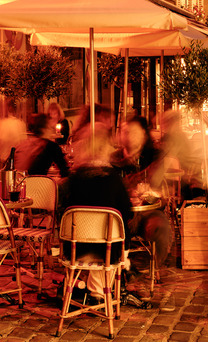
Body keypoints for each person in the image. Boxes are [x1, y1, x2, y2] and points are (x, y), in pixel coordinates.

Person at [61, 123, 134, 303]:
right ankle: (100, 292)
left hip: (76, 247)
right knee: (117, 231)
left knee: (102, 233)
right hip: (107, 249)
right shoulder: (113, 178)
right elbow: (127, 210)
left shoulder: (76, 177)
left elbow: (64, 209)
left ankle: (90, 289)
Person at [111, 116, 172, 272]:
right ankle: (119, 269)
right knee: (107, 229)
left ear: (144, 135)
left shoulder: (154, 157)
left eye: (135, 133)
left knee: (161, 228)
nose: (131, 136)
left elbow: (161, 196)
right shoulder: (114, 159)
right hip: (121, 214)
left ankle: (151, 270)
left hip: (148, 213)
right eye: (127, 132)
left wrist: (150, 194)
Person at [13, 113, 69, 180]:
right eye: (49, 127)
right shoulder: (50, 146)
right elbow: (65, 171)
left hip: (18, 185)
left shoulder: (21, 144)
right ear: (44, 129)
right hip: (37, 187)